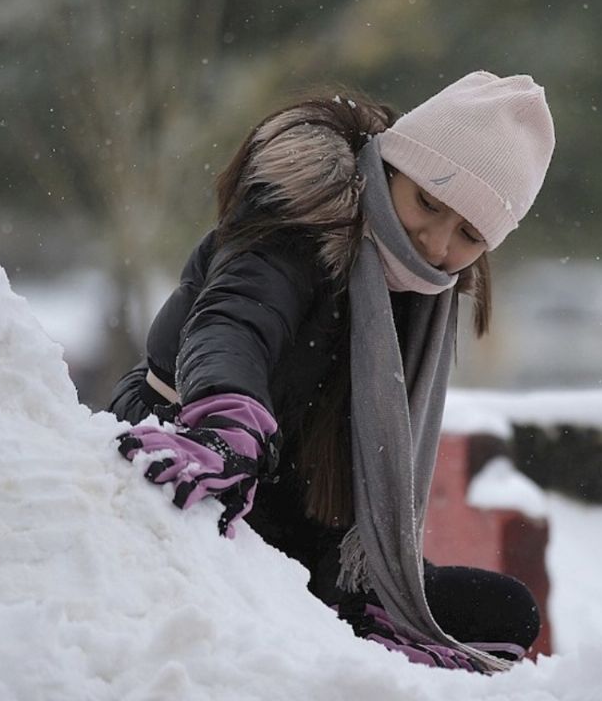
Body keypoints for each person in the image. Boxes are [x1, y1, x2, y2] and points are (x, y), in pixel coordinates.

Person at [110, 71, 556, 674]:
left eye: (469, 234)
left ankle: (365, 638)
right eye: (428, 201)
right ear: (391, 166)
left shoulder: (423, 297)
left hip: (304, 519)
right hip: (200, 455)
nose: (434, 240)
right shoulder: (298, 225)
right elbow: (236, 320)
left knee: (506, 613)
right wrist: (226, 418)